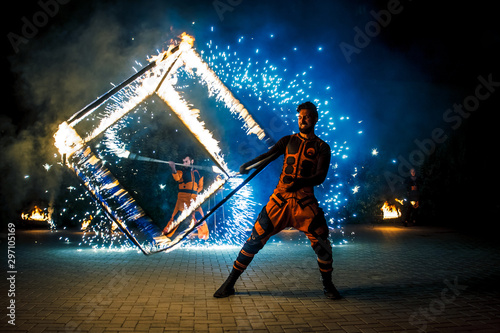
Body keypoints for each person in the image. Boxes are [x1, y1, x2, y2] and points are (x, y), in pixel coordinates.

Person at [213, 101, 341, 300]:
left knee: (322, 243)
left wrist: (299, 182)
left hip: (304, 204)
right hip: (279, 202)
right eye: (300, 117)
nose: (302, 120)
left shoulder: (322, 147)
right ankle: (229, 284)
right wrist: (248, 165)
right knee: (254, 240)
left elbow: (320, 176)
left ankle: (329, 286)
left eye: (306, 116)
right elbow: (268, 156)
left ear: (315, 118)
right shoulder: (288, 140)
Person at [163, 156, 209, 240]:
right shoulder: (181, 172)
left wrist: (194, 192)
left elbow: (200, 186)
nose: (184, 163)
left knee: (200, 217)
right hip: (182, 198)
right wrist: (173, 168)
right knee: (175, 217)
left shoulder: (197, 173)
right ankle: (165, 235)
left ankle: (203, 234)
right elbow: (176, 177)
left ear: (192, 161)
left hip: (194, 198)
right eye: (183, 161)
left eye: (186, 161)